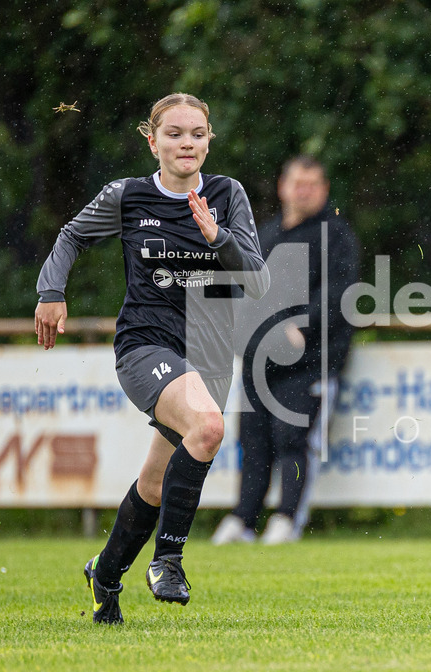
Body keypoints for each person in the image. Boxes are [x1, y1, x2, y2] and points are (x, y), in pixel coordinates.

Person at [34, 93, 269, 624]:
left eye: (198, 134)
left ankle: (106, 573)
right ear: (152, 139)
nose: (186, 143)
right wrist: (51, 292)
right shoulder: (128, 196)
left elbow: (259, 282)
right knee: (208, 428)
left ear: (210, 140)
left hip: (207, 357)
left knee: (156, 483)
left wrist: (218, 237)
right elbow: (71, 236)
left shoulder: (227, 195)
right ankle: (168, 560)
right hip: (146, 344)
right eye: (174, 133)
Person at [212, 156, 360, 546]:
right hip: (258, 359)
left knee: (292, 439)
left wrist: (301, 329)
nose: (304, 190)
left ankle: (286, 519)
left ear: (324, 190)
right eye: (297, 182)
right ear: (282, 185)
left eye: (312, 184)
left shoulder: (336, 235)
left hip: (309, 364)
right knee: (253, 441)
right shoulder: (267, 234)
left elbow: (340, 296)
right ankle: (243, 520)